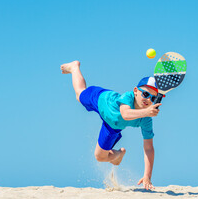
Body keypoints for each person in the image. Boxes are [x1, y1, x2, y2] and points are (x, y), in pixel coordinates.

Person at [60, 60, 162, 190]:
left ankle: (118, 155)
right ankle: (75, 67)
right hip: (101, 99)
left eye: (153, 98)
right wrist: (146, 112)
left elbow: (149, 148)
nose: (148, 100)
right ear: (136, 91)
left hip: (112, 125)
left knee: (99, 156)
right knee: (79, 94)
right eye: (146, 94)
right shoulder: (128, 97)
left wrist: (147, 175)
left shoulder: (146, 118)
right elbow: (125, 114)